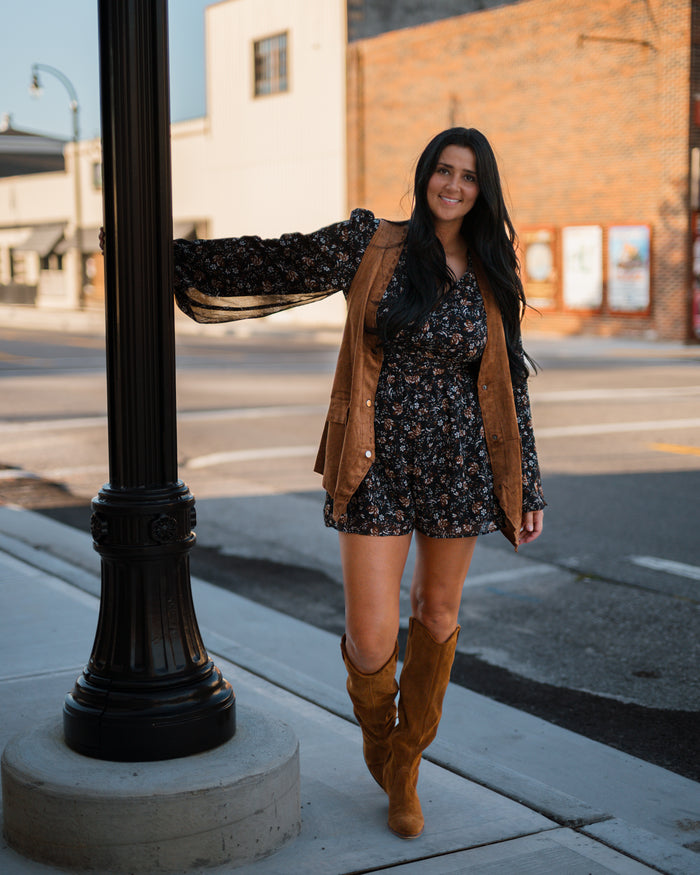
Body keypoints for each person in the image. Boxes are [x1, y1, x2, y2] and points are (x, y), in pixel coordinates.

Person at [173, 127, 545, 839]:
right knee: (371, 639)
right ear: (425, 175)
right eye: (444, 170)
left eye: (469, 176)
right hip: (374, 461)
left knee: (437, 614)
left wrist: (526, 483)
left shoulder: (494, 269)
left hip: (460, 467)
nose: (454, 185)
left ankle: (405, 769)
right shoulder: (372, 244)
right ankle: (388, 745)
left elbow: (507, 385)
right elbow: (274, 258)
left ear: (482, 188)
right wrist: (170, 256)